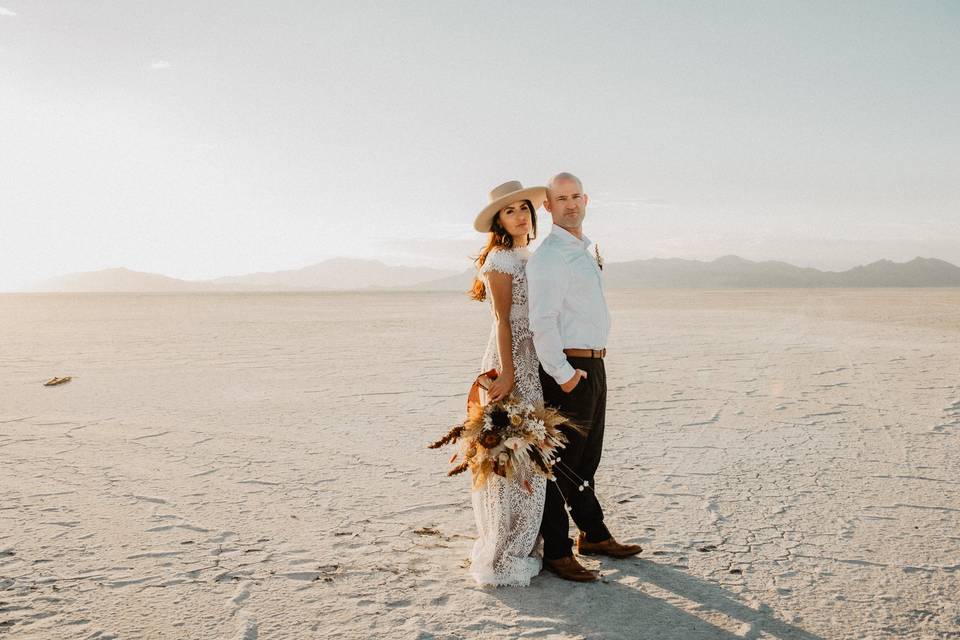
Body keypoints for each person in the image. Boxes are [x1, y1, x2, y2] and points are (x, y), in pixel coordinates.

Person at [526, 172, 643, 583]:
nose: (571, 204)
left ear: (586, 199)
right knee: (562, 465)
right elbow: (542, 321)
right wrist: (563, 375)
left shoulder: (583, 250)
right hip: (569, 368)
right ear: (548, 207)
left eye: (576, 196)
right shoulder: (550, 257)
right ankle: (557, 551)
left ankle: (593, 535)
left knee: (587, 459)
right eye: (561, 198)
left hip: (593, 366)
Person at [467, 179, 548, 586]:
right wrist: (510, 372)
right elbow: (502, 319)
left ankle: (524, 541)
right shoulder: (500, 258)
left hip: (532, 359)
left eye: (524, 209)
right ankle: (503, 551)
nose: (520, 216)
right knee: (508, 456)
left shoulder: (527, 255)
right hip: (509, 360)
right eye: (510, 210)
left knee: (529, 454)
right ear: (499, 220)